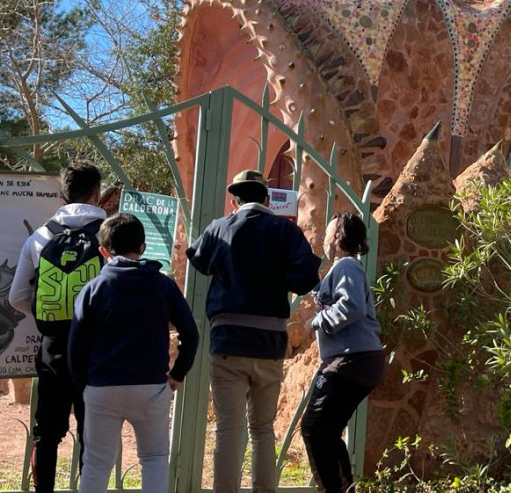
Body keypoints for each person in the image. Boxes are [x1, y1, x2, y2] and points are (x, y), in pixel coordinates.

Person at [186, 169, 320, 493]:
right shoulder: (284, 232)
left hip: (228, 342)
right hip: (269, 344)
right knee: (262, 429)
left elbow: (199, 260)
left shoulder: (220, 228)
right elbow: (305, 279)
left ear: (235, 199)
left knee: (228, 431)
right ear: (266, 198)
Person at [68, 213, 199, 493]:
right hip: (151, 386)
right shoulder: (163, 285)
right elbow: (191, 333)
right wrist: (176, 376)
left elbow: (75, 345)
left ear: (104, 251)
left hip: (102, 387)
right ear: (142, 247)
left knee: (96, 464)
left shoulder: (93, 288)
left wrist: (85, 385)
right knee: (153, 459)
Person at [9, 160, 106, 493]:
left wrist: (45, 320)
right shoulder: (112, 233)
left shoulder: (40, 236)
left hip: (52, 349)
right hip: (97, 351)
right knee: (92, 436)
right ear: (97, 193)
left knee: (47, 435)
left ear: (63, 195)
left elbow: (16, 296)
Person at [302, 212, 384, 493]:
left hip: (352, 360)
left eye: (327, 232)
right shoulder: (342, 268)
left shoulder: (347, 266)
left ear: (338, 236)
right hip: (357, 360)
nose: (323, 238)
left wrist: (315, 322)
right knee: (326, 431)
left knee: (315, 428)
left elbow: (352, 307)